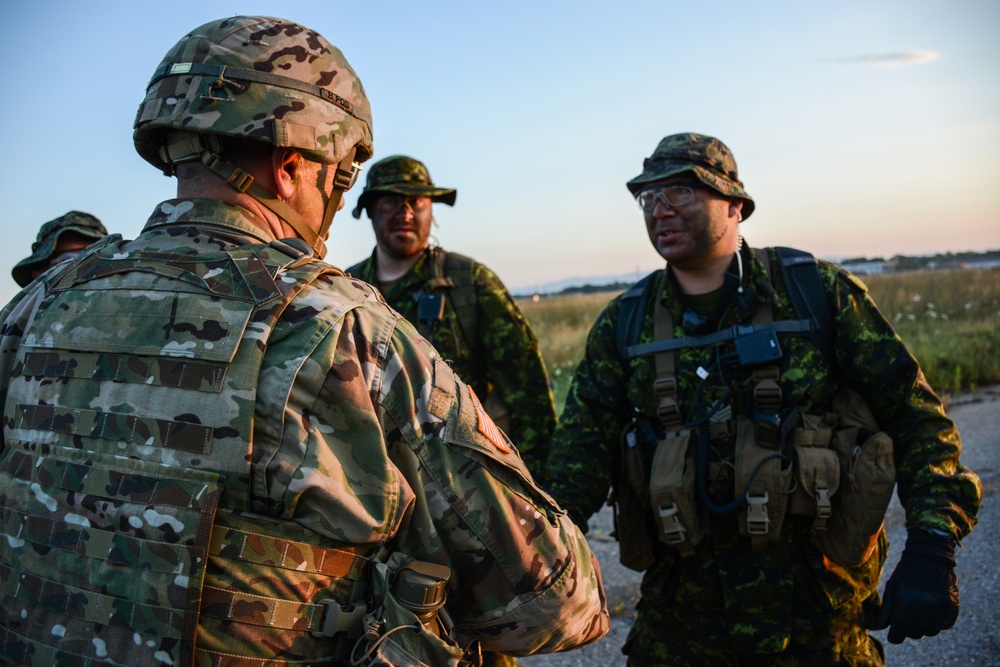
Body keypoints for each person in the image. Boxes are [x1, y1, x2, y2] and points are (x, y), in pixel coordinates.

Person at [0, 16, 608, 666]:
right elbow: (558, 600)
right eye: (339, 179)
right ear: (290, 167)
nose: (334, 204)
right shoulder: (342, 326)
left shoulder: (38, 303)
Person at [545, 132, 981, 666]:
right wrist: (540, 549)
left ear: (735, 205)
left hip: (817, 614)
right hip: (682, 620)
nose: (660, 210)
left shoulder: (815, 292)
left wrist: (933, 545)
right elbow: (578, 456)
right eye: (649, 198)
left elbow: (915, 418)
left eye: (681, 192)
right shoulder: (627, 322)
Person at [346, 156, 556, 480]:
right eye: (390, 201)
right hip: (376, 479)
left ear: (431, 209)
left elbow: (529, 398)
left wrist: (533, 486)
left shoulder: (471, 283)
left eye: (416, 201)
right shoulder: (349, 291)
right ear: (370, 210)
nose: (405, 213)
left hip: (466, 481)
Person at [11, 210, 108, 287]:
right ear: (38, 276)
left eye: (97, 257)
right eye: (67, 261)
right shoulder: (24, 311)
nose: (84, 267)